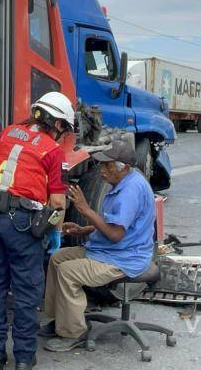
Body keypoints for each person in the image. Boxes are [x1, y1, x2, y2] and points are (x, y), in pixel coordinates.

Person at [0, 91, 75, 370]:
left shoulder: (6, 134)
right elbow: (56, 202)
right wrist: (54, 231)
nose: (63, 134)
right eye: (64, 128)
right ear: (58, 124)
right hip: (21, 220)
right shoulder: (53, 151)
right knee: (26, 291)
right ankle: (24, 359)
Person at [41, 140, 155, 352]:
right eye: (101, 165)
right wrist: (84, 230)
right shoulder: (122, 183)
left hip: (124, 258)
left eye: (108, 166)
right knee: (57, 258)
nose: (102, 170)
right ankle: (60, 319)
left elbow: (115, 235)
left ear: (125, 168)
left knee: (68, 272)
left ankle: (74, 332)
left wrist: (86, 210)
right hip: (108, 249)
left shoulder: (130, 191)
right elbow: (113, 225)